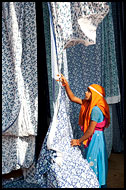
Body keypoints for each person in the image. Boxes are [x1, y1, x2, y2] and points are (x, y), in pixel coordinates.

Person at [56, 74, 110, 188]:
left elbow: (90, 131)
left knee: (93, 162)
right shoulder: (90, 105)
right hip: (97, 137)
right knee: (97, 162)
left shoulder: (95, 109)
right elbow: (73, 98)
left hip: (95, 139)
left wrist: (78, 141)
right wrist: (66, 84)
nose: (86, 93)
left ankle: (93, 184)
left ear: (94, 95)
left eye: (88, 91)